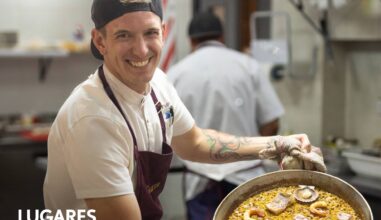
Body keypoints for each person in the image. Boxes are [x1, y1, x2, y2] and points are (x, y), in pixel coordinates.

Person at [43, 1, 326, 220]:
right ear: (100, 41)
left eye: (150, 33)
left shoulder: (159, 84)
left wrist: (276, 144)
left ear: (163, 32)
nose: (141, 50)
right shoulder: (93, 119)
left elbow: (196, 143)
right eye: (124, 35)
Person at [167, 11, 285, 219]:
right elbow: (271, 123)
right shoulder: (248, 65)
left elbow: (168, 134)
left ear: (191, 40)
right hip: (246, 179)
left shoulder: (176, 73)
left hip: (201, 181)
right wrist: (254, 146)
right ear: (222, 37)